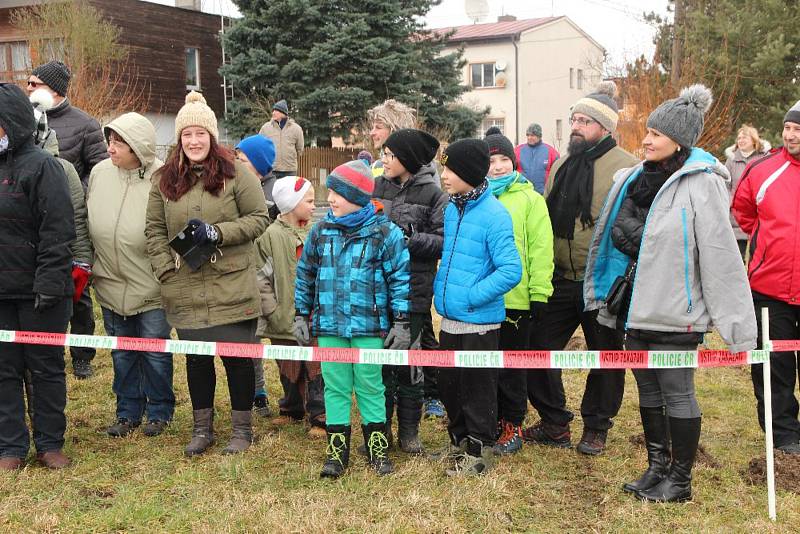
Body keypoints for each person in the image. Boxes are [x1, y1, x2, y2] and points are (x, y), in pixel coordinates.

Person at [585, 84, 757, 502]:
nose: (645, 139)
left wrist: (739, 329)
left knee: (678, 393)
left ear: (678, 141)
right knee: (647, 391)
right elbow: (612, 240)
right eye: (647, 131)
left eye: (656, 134)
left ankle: (680, 481)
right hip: (636, 310)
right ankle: (656, 468)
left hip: (677, 313)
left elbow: (720, 257)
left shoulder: (702, 184)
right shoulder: (635, 181)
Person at [145, 92, 269, 456]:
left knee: (236, 360)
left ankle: (242, 430)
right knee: (197, 361)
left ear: (212, 138)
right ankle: (203, 430)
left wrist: (219, 232)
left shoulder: (237, 174)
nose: (194, 141)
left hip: (230, 284)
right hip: (185, 286)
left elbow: (259, 219)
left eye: (201, 134)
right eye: (187, 135)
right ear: (179, 140)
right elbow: (153, 230)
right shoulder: (163, 180)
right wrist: (165, 270)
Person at [526, 82, 638, 455]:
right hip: (559, 277)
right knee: (538, 349)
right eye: (574, 118)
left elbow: (634, 222)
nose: (576, 126)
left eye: (584, 121)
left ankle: (596, 426)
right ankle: (555, 422)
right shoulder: (560, 163)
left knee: (606, 356)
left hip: (602, 282)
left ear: (604, 128)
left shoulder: (626, 167)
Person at [294, 160, 411, 478]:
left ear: (358, 197)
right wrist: (301, 314)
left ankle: (377, 448)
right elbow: (306, 275)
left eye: (338, 193)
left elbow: (400, 279)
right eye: (330, 191)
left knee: (371, 386)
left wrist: (401, 321)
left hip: (368, 326)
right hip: (330, 325)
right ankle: (336, 452)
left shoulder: (385, 233)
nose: (330, 198)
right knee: (335, 386)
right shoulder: (321, 231)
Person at [433, 138, 521, 476]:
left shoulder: (495, 215)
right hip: (450, 318)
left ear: (468, 172)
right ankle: (458, 442)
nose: (444, 175)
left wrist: (472, 295)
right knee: (450, 384)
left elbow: (510, 270)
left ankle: (479, 449)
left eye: (450, 169)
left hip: (478, 322)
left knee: (477, 387)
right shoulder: (453, 208)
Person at [0, 83, 75, 470]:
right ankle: (10, 448)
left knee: (45, 368)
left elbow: (58, 230)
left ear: (10, 123)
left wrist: (47, 284)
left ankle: (49, 444)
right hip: (1, 296)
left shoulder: (44, 167)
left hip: (40, 293)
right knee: (3, 371)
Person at [87, 112, 175, 438]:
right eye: (110, 140)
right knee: (122, 353)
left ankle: (160, 411)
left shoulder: (164, 178)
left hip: (152, 284)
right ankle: (127, 412)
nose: (111, 148)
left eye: (119, 142)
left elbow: (174, 229)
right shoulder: (99, 173)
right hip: (110, 283)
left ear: (139, 148)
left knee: (154, 351)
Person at [27, 60, 108, 379]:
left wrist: (72, 192)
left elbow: (99, 168)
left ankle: (83, 354)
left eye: (35, 84)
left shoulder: (85, 123)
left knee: (78, 293)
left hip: (72, 216)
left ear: (55, 89)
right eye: (29, 83)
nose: (29, 88)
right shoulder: (24, 118)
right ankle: (45, 350)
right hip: (33, 219)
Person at [367, 99, 444, 419]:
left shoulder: (432, 191)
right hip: (380, 284)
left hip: (414, 284)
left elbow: (441, 240)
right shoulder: (378, 183)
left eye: (389, 152)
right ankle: (389, 406)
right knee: (385, 351)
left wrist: (411, 239)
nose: (375, 138)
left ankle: (426, 398)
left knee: (416, 343)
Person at [733, 100, 800, 455]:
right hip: (769, 290)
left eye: (798, 130)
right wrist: (770, 242)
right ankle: (784, 435)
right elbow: (743, 211)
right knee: (774, 368)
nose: (790, 135)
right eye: (788, 128)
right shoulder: (763, 170)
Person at [484, 131, 554, 455]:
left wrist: (539, 292)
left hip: (516, 300)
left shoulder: (531, 200)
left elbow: (541, 248)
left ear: (513, 162)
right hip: (483, 301)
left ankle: (513, 425)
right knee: (487, 366)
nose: (497, 167)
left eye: (503, 160)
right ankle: (489, 421)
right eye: (490, 161)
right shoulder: (479, 197)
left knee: (512, 368)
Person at [255, 176, 325, 436]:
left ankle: (319, 414)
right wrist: (271, 309)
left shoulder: (318, 233)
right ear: (290, 204)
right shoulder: (270, 237)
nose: (313, 206)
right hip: (281, 316)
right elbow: (260, 276)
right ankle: (291, 407)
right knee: (287, 363)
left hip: (314, 317)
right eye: (308, 201)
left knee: (315, 365)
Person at [234, 133, 277, 416]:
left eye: (243, 160)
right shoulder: (233, 187)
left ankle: (297, 396)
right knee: (249, 338)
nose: (236, 164)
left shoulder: (275, 198)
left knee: (280, 335)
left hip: (268, 277)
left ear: (259, 168)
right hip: (241, 275)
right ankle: (256, 390)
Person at [724, 125, 770, 259]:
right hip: (736, 215)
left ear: (754, 140)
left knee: (758, 255)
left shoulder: (765, 157)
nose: (741, 140)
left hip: (760, 211)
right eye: (738, 138)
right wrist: (730, 201)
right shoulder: (731, 160)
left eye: (744, 137)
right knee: (737, 256)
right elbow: (725, 184)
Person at [259, 99, 304, 178]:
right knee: (272, 190)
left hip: (290, 170)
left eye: (276, 111)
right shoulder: (266, 128)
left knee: (289, 191)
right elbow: (260, 145)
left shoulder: (296, 129)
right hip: (271, 169)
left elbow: (299, 149)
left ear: (283, 113)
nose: (273, 113)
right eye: (273, 110)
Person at [514, 122, 559, 194]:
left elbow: (558, 173)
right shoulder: (517, 151)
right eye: (528, 135)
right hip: (522, 193)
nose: (529, 137)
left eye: (532, 135)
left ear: (539, 136)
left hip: (543, 194)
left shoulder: (551, 152)